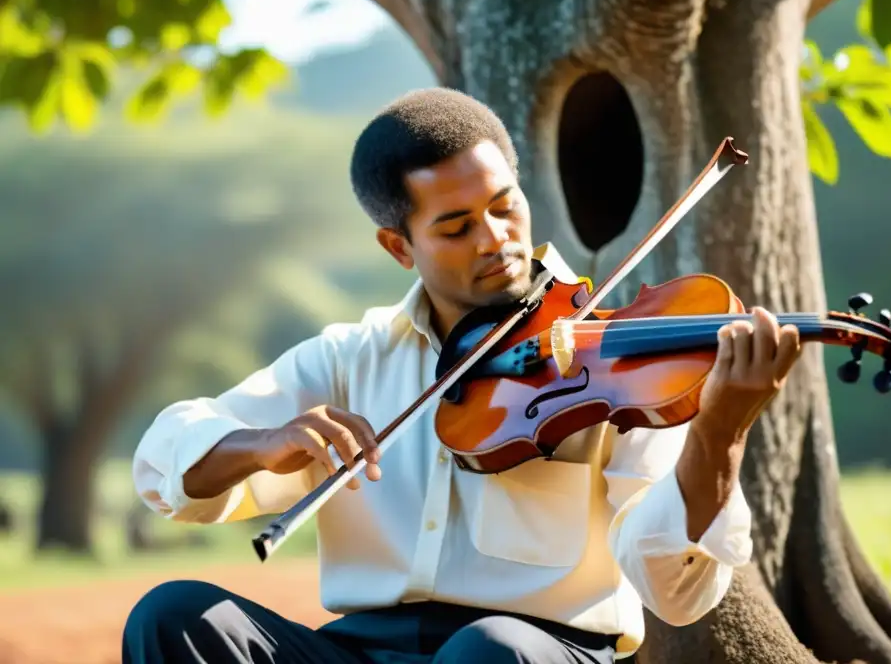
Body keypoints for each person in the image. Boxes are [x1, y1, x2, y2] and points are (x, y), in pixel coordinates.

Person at [123, 87, 803, 663]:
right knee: (173, 615)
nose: (496, 241)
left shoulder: (612, 359)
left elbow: (677, 595)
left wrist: (719, 433)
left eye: (504, 207)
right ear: (399, 246)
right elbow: (164, 465)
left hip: (530, 652)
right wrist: (262, 444)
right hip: (362, 647)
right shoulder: (349, 358)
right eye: (456, 228)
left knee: (486, 650)